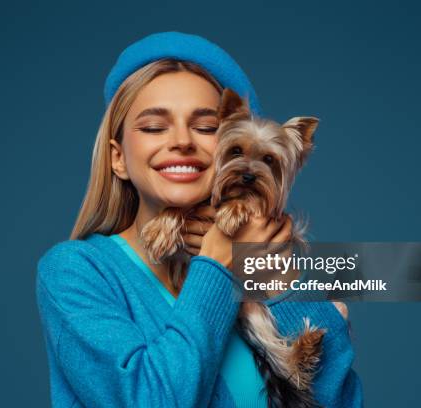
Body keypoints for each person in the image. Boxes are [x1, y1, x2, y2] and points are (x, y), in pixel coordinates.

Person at [36, 31, 363, 408]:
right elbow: (151, 401)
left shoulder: (283, 271)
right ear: (118, 158)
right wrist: (215, 265)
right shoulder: (76, 272)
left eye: (207, 128)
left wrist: (272, 279)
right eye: (154, 127)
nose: (182, 142)